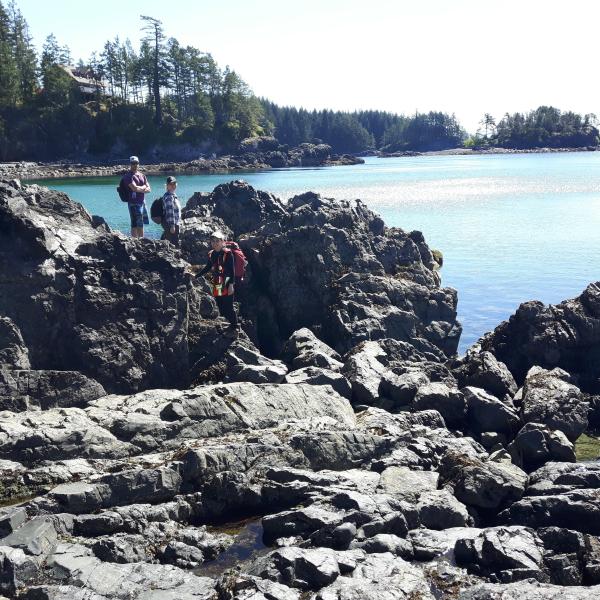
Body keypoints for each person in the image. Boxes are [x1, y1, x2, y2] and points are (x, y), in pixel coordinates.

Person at [198, 231, 239, 332]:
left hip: (227, 282)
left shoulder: (228, 254)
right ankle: (230, 323)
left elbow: (232, 271)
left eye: (217, 241)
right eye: (213, 241)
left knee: (229, 306)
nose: (215, 243)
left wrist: (231, 286)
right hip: (218, 282)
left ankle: (234, 327)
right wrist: (196, 276)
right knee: (221, 304)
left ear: (223, 242)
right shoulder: (212, 254)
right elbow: (207, 267)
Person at [121, 156, 151, 238]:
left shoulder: (142, 175)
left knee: (140, 224)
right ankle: (135, 241)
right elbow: (134, 188)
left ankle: (141, 241)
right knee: (135, 224)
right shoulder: (127, 176)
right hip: (133, 203)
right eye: (133, 163)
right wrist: (144, 187)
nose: (135, 165)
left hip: (142, 202)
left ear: (138, 164)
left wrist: (139, 188)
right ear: (130, 164)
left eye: (136, 163)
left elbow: (149, 189)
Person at [161, 176, 181, 246]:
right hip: (171, 225)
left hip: (174, 224)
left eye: (174, 184)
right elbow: (170, 212)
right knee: (173, 245)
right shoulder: (169, 197)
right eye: (171, 184)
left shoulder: (173, 195)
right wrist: (172, 226)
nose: (173, 186)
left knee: (173, 244)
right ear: (167, 185)